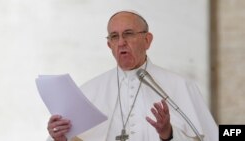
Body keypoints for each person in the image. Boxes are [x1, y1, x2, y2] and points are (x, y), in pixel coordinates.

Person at [46, 10, 218, 141]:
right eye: (114, 37)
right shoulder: (89, 91)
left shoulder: (180, 86)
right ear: (109, 45)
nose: (121, 42)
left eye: (128, 34)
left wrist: (168, 133)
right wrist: (61, 138)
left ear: (147, 40)